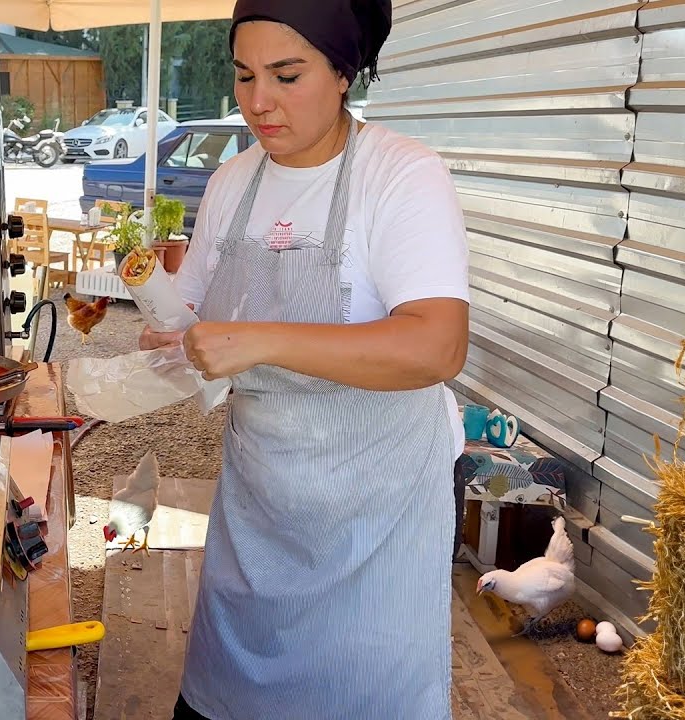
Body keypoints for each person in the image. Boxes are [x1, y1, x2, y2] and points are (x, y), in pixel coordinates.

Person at [139, 1, 470, 718]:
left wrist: (261, 339)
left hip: (376, 517)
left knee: (357, 694)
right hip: (261, 504)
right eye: (244, 75)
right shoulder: (233, 181)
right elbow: (190, 314)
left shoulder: (401, 175)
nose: (259, 102)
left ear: (345, 73)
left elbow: (436, 346)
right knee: (225, 696)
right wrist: (170, 336)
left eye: (287, 76)